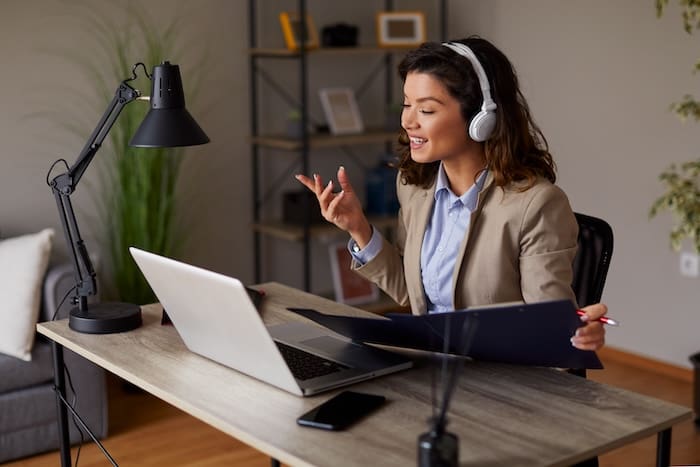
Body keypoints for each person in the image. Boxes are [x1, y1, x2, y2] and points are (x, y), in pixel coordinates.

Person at [295, 36, 607, 352]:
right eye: (406, 104)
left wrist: (577, 336)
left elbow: (553, 338)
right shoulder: (414, 186)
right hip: (432, 370)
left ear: (480, 119)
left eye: (426, 110)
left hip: (500, 384)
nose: (407, 121)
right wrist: (358, 228)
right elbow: (410, 291)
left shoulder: (537, 205)